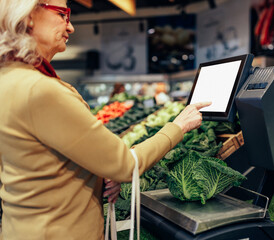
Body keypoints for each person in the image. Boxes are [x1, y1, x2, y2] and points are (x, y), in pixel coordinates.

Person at [0, 1, 211, 239]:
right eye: (63, 15)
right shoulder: (40, 90)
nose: (71, 28)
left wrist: (97, 174)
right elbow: (124, 165)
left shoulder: (7, 79)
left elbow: (35, 162)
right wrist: (178, 126)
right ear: (28, 15)